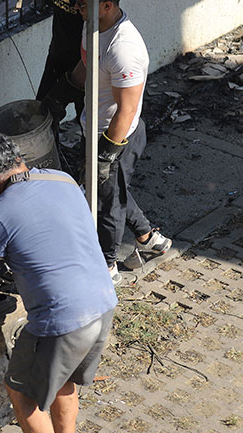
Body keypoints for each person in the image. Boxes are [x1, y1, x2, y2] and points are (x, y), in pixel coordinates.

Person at [0, 131, 117, 433]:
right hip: (102, 301)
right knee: (63, 383)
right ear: (17, 159)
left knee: (21, 392)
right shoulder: (63, 179)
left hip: (62, 319)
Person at [69, 0, 171, 284]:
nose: (76, 6)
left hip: (118, 136)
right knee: (111, 190)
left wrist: (106, 155)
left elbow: (126, 109)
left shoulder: (123, 48)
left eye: (81, 2)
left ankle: (107, 267)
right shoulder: (93, 24)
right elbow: (86, 64)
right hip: (96, 128)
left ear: (107, 4)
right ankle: (148, 238)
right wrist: (61, 91)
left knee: (108, 203)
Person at [38, 0, 85, 133]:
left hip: (83, 64)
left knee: (87, 120)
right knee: (44, 115)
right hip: (56, 56)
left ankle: (89, 153)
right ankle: (53, 153)